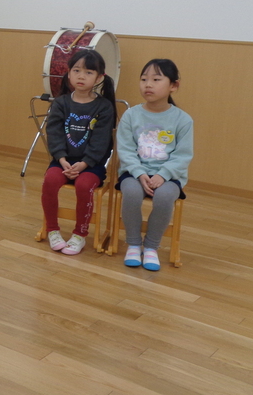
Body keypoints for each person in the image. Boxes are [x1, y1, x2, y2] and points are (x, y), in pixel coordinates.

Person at [117, 59, 193, 271]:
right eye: (143, 79)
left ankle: (151, 247)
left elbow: (183, 155)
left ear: (173, 86)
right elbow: (125, 149)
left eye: (156, 79)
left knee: (165, 197)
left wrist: (163, 175)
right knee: (131, 193)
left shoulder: (183, 120)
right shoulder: (131, 115)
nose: (148, 84)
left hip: (169, 175)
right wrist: (139, 173)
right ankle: (133, 244)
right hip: (133, 173)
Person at [41, 49, 116, 255]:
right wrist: (61, 159)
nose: (81, 76)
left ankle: (79, 234)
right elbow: (54, 134)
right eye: (76, 70)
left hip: (91, 165)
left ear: (99, 78)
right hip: (63, 161)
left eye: (88, 72)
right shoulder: (61, 102)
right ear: (69, 73)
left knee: (84, 186)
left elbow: (101, 141)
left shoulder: (104, 106)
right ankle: (52, 230)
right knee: (50, 180)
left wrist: (84, 164)